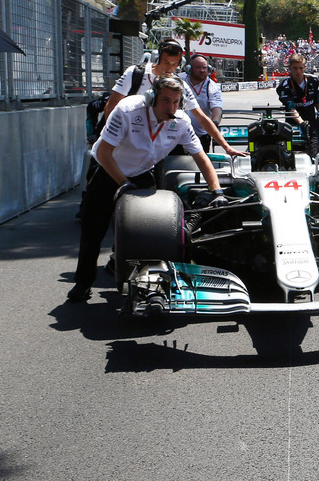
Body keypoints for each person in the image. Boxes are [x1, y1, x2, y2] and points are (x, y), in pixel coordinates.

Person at [68, 76, 226, 303]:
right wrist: (122, 183)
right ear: (151, 98)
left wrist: (216, 191)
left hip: (142, 172)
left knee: (150, 227)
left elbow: (201, 157)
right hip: (108, 168)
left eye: (175, 102)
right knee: (94, 229)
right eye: (165, 101)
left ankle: (141, 278)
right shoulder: (127, 110)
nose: (170, 107)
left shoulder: (180, 121)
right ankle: (83, 283)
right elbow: (103, 152)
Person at [104, 39, 243, 158]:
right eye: (166, 62)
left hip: (157, 146)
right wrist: (113, 137)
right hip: (126, 142)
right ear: (157, 58)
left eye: (174, 64)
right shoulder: (135, 73)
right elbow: (111, 106)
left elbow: (201, 117)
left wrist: (226, 147)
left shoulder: (178, 84)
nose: (170, 68)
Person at [275, 53, 319, 148]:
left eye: (301, 68)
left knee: (314, 153)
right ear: (290, 68)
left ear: (304, 67)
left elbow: (318, 103)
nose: (298, 71)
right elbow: (290, 107)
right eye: (295, 68)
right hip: (293, 126)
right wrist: (302, 123)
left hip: (312, 125)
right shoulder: (284, 86)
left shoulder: (313, 82)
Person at [179, 54, 224, 152]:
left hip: (202, 134)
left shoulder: (212, 87)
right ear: (189, 69)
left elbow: (217, 108)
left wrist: (214, 123)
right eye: (198, 67)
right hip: (178, 132)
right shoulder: (179, 80)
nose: (202, 70)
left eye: (204, 68)